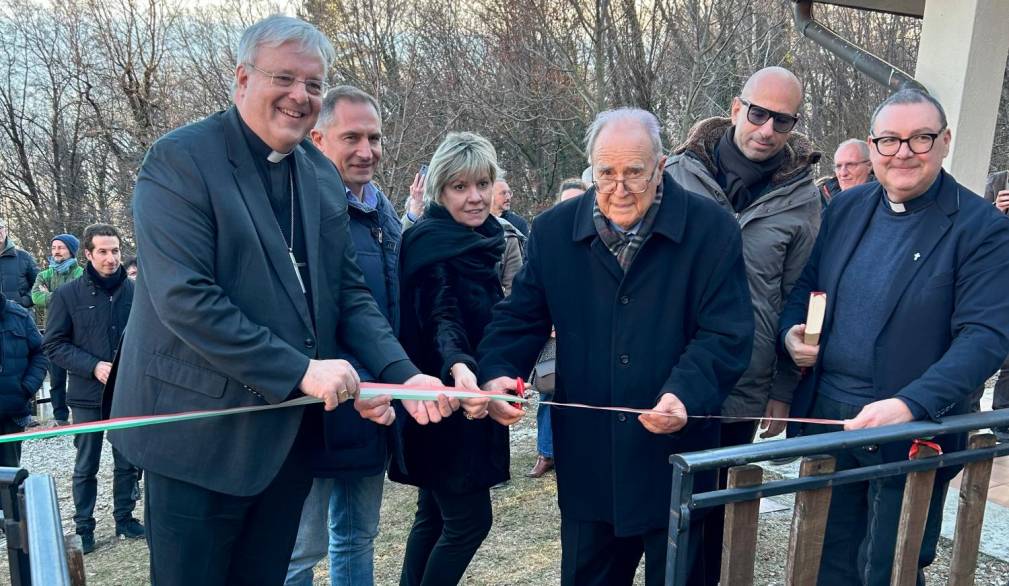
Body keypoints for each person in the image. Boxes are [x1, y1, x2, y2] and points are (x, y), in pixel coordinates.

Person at [107, 16, 473, 585]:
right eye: (285, 78)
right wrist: (300, 370)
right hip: (197, 441)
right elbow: (185, 298)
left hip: (285, 443)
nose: (300, 97)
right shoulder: (180, 161)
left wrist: (403, 375)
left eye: (314, 84)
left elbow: (347, 293)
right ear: (242, 79)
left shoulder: (319, 176)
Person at [479, 108, 754, 585]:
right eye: (606, 173)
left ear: (661, 166)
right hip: (590, 462)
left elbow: (726, 333)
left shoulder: (711, 230)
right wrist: (499, 370)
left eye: (634, 173)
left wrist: (684, 394)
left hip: (676, 456)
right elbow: (520, 317)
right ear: (591, 169)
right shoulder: (554, 231)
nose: (619, 188)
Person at [779, 89, 1009, 585]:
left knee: (890, 569)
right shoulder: (845, 207)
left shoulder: (982, 228)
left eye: (920, 138)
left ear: (944, 142)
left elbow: (985, 338)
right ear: (872, 146)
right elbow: (806, 287)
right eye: (889, 140)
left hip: (909, 433)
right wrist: (790, 332)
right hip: (829, 423)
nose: (903, 152)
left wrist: (909, 404)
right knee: (825, 563)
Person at [663, 66, 820, 583]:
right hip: (669, 373)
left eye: (783, 120)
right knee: (660, 511)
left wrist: (780, 387)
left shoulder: (803, 198)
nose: (767, 129)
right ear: (736, 108)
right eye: (758, 113)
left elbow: (796, 295)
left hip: (742, 382)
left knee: (712, 513)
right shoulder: (676, 174)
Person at [390, 131, 525, 586]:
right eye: (460, 187)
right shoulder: (432, 242)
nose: (475, 197)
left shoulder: (480, 238)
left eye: (483, 184)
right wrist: (460, 366)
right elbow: (439, 313)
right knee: (469, 523)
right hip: (445, 402)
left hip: (465, 398)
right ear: (440, 191)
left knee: (432, 516)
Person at [283, 85, 403, 586]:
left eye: (373, 137)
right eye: (351, 137)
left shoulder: (385, 213)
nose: (366, 150)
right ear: (318, 137)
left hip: (374, 400)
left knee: (357, 536)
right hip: (316, 407)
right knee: (298, 551)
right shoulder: (296, 212)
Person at [42, 223, 143, 554]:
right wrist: (93, 366)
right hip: (87, 394)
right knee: (86, 463)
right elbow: (54, 345)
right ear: (87, 253)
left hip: (127, 391)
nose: (111, 258)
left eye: (115, 251)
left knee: (127, 458)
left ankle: (125, 518)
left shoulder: (137, 292)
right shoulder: (67, 295)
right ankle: (84, 527)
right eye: (102, 251)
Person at [527, 177, 587, 479]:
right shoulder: (545, 240)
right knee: (548, 392)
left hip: (587, 339)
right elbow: (530, 293)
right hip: (552, 335)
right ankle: (546, 452)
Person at [31, 233, 83, 425]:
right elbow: (36, 298)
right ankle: (60, 416)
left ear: (71, 250)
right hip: (53, 331)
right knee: (56, 379)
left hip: (78, 332)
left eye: (60, 247)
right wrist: (63, 297)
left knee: (79, 373)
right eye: (54, 248)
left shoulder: (81, 274)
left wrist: (51, 296)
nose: (56, 251)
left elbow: (80, 298)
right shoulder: (44, 275)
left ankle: (82, 414)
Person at [0, 292, 47, 467]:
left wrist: (27, 388)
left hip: (11, 414)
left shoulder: (19, 316)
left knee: (8, 479)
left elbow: (40, 353)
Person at [984, 169, 1009, 442]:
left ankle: (1002, 419)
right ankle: (966, 414)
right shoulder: (997, 181)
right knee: (986, 346)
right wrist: (997, 209)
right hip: (995, 276)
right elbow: (980, 226)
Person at [817, 139, 874, 205]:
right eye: (838, 166)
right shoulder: (820, 201)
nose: (843, 173)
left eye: (850, 165)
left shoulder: (885, 200)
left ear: (869, 165)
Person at [0, 218, 39, 311]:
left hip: (20, 317)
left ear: (5, 230)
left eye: (0, 227)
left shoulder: (24, 257)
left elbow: (39, 285)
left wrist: (25, 301)